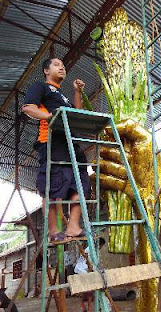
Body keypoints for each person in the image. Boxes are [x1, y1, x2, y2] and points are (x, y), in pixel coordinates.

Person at [22, 57, 91, 243]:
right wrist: (49, 117)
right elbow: (28, 108)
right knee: (53, 186)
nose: (62, 68)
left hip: (71, 143)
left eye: (63, 66)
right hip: (52, 142)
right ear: (46, 70)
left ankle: (73, 227)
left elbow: (77, 112)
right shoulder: (41, 87)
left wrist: (77, 92)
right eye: (57, 65)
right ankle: (53, 232)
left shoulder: (64, 96)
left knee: (81, 183)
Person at [74, 238, 106, 312]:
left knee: (87, 290)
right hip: (82, 270)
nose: (101, 247)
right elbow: (90, 265)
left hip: (82, 269)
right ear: (100, 245)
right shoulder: (91, 250)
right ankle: (89, 308)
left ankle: (83, 305)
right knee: (90, 290)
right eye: (102, 246)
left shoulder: (92, 249)